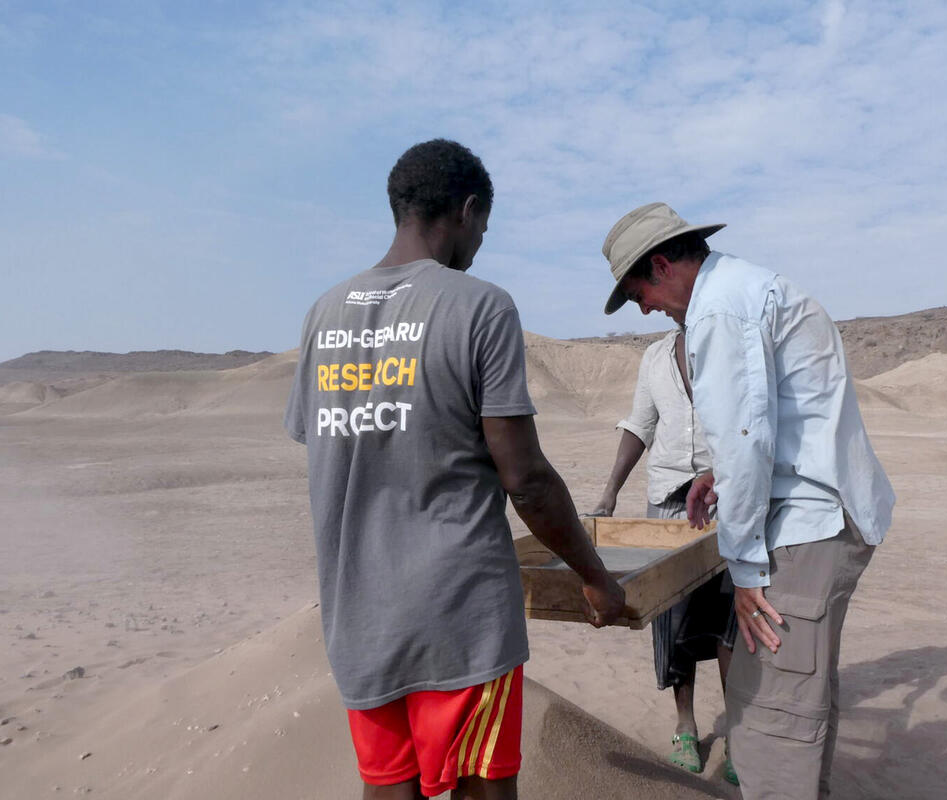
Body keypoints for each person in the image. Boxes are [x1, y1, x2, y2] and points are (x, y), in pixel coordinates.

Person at [285, 139, 625, 800]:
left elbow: (337, 447)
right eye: (484, 229)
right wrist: (595, 576)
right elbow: (525, 478)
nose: (480, 245)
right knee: (483, 789)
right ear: (468, 210)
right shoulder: (480, 306)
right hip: (461, 618)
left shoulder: (322, 316)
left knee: (388, 788)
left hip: (359, 616)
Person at [598, 202, 895, 800]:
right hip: (823, 517)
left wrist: (748, 569)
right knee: (803, 701)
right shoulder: (743, 289)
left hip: (806, 528)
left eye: (639, 295)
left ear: (661, 265)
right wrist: (721, 475)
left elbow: (745, 438)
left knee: (771, 720)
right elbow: (765, 423)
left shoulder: (719, 311)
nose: (647, 309)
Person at [587, 327, 740, 786]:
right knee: (673, 619)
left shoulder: (728, 343)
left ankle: (737, 731)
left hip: (727, 496)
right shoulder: (654, 357)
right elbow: (640, 424)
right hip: (668, 505)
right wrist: (610, 493)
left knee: (732, 616)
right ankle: (686, 726)